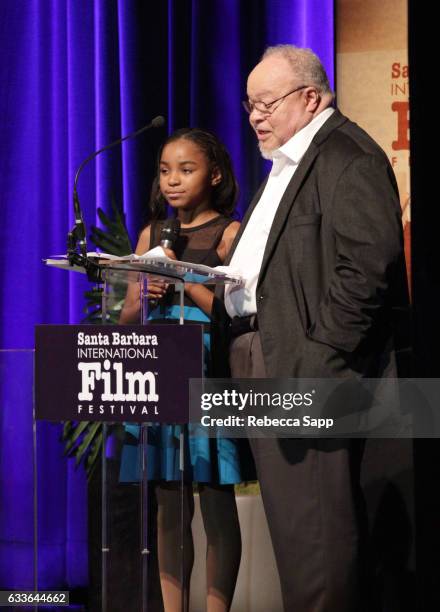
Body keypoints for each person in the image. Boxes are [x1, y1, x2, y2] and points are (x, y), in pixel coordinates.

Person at [213, 45, 409, 612]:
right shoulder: (287, 165)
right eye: (249, 104)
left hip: (303, 368)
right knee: (298, 536)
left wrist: (320, 358)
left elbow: (369, 265)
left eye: (267, 102)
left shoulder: (346, 156)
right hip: (264, 357)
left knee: (317, 537)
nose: (255, 115)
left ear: (310, 97)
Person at [119, 128, 253, 612]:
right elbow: (127, 321)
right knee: (168, 507)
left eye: (187, 169)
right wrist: (141, 294)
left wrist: (181, 278)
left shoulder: (230, 234)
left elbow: (232, 313)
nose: (172, 180)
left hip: (209, 373)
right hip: (161, 374)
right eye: (164, 170)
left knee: (215, 505)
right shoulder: (152, 235)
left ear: (214, 174)